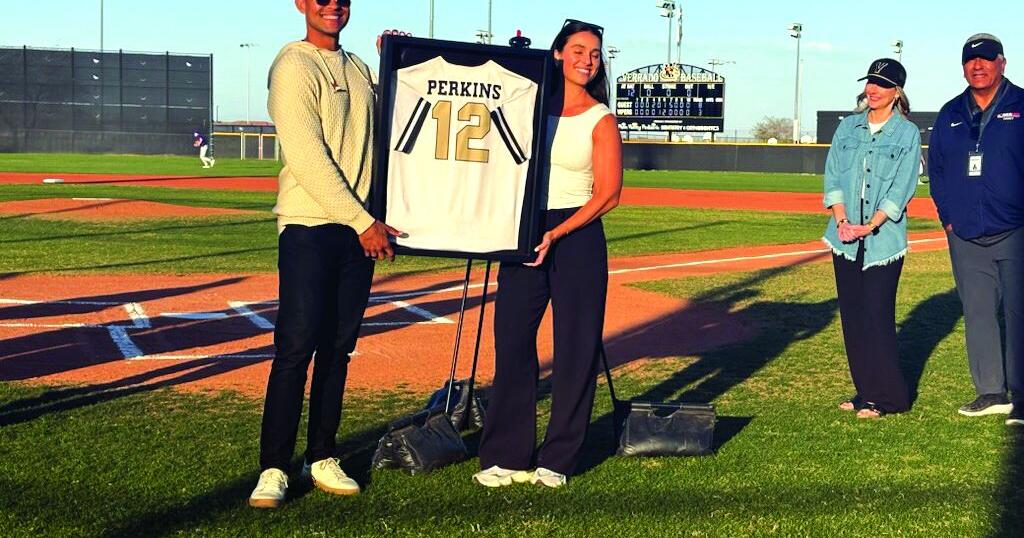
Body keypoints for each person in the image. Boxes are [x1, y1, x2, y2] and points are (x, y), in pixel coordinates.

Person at [249, 0, 401, 509]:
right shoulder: (293, 64)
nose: (332, 4)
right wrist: (364, 222)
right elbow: (308, 156)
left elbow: (391, 127)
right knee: (296, 349)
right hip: (310, 226)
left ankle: (322, 455)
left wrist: (394, 62)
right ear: (301, 3)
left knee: (338, 349)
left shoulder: (357, 66)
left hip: (356, 232)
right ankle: (274, 467)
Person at [474, 19, 623, 488]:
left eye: (594, 54)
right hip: (524, 229)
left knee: (576, 347)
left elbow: (609, 194)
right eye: (578, 50)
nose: (586, 60)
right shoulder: (530, 105)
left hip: (577, 234)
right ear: (557, 53)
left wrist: (558, 233)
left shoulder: (601, 118)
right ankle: (506, 455)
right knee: (512, 339)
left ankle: (558, 458)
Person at [928, 34, 1024, 426]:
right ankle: (991, 392)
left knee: (1019, 313)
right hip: (965, 232)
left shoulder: (1020, 105)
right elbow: (937, 171)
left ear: (1002, 63)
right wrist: (948, 217)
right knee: (978, 312)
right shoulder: (950, 112)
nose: (978, 66)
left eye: (986, 59)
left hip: (1016, 230)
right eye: (971, 60)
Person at [822, 58, 921, 419]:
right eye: (870, 82)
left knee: (877, 316)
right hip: (844, 236)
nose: (873, 90)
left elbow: (902, 187)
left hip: (883, 241)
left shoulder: (907, 133)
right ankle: (865, 391)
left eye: (882, 84)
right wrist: (842, 220)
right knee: (853, 317)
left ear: (897, 92)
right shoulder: (848, 127)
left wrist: (871, 224)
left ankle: (889, 398)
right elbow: (833, 176)